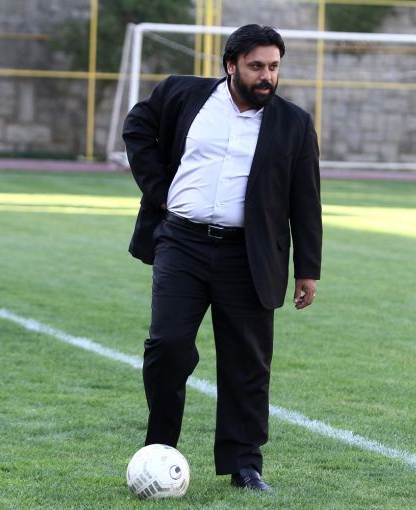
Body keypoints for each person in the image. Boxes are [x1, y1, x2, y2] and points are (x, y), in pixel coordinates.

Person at [122, 24, 322, 492]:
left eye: (273, 67)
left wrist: (307, 270)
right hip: (181, 243)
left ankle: (244, 465)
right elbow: (137, 128)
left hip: (247, 255)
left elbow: (305, 198)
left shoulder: (293, 123)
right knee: (167, 346)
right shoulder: (182, 94)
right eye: (256, 66)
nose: (266, 76)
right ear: (231, 65)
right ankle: (159, 449)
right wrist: (159, 191)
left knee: (247, 362)